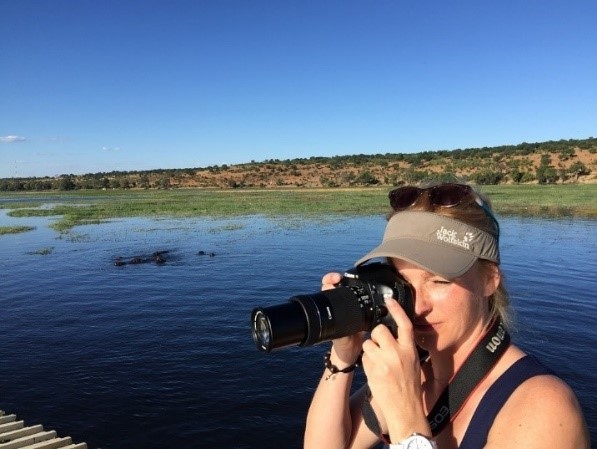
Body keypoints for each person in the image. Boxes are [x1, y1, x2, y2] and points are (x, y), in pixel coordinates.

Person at [304, 182, 589, 449]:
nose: (416, 307)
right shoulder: (414, 373)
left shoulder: (543, 408)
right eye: (403, 284)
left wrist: (407, 421)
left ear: (490, 279)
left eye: (439, 281)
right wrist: (343, 356)